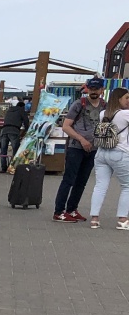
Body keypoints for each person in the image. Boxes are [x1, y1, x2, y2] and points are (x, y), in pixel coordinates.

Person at [56, 78, 107, 222]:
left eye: (96, 89)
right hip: (76, 148)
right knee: (69, 179)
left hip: (94, 149)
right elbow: (66, 126)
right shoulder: (79, 104)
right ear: (87, 89)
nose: (93, 92)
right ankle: (59, 210)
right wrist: (81, 139)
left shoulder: (105, 106)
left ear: (101, 90)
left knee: (82, 181)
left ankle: (72, 209)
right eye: (91, 89)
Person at [88, 87, 129, 230]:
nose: (128, 101)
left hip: (101, 153)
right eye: (127, 98)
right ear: (119, 99)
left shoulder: (102, 113)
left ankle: (94, 219)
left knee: (100, 186)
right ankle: (123, 220)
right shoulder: (125, 114)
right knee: (127, 186)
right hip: (120, 153)